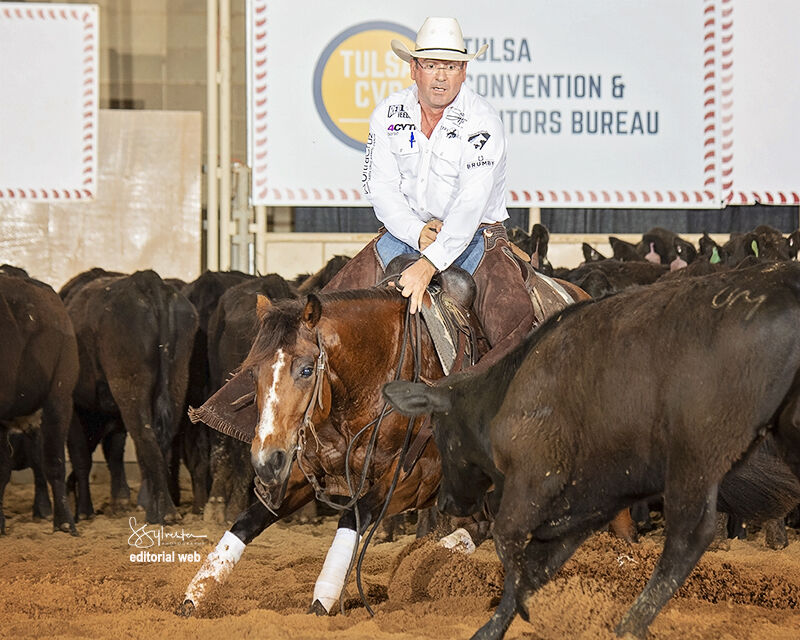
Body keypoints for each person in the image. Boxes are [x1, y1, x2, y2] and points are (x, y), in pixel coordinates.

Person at [323, 16, 535, 353]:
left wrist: (430, 262)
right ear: (414, 69)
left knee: (518, 337)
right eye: (431, 65)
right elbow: (382, 188)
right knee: (319, 316)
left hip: (475, 239)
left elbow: (472, 201)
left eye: (450, 66)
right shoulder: (388, 114)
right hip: (404, 235)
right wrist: (415, 232)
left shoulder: (482, 121)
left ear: (463, 72)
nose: (440, 76)